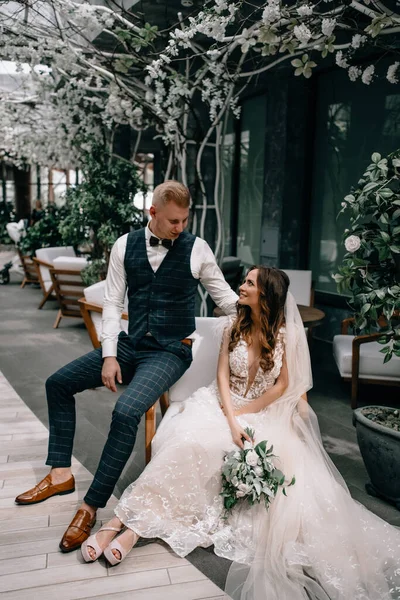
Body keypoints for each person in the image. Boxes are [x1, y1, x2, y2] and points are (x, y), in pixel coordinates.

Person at [80, 266, 400, 600]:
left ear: (265, 294)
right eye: (244, 281)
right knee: (189, 444)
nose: (241, 286)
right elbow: (220, 375)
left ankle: (128, 530)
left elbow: (283, 386)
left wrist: (249, 413)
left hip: (261, 411)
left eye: (249, 283)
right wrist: (232, 418)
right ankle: (117, 524)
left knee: (221, 453)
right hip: (219, 404)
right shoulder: (234, 324)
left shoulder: (288, 335)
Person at [15, 181, 239, 553]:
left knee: (126, 410)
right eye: (172, 221)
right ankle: (60, 474)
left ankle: (90, 507)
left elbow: (226, 298)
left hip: (170, 351)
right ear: (152, 213)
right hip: (131, 344)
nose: (179, 227)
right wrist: (109, 354)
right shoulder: (124, 245)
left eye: (184, 220)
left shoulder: (197, 249)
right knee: (58, 383)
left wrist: (266, 321)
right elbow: (112, 302)